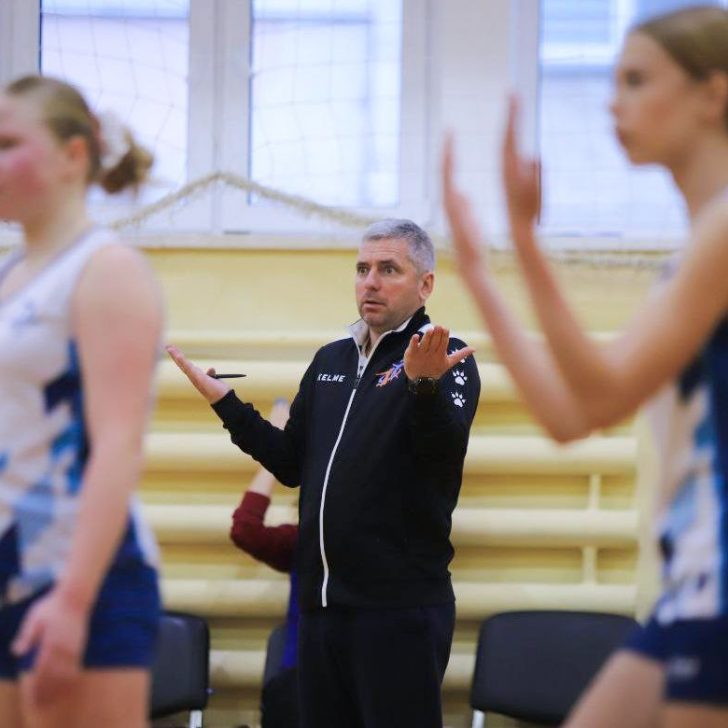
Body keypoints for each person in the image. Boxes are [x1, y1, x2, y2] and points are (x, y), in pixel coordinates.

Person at [443, 5, 728, 727]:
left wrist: (524, 241)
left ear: (713, 94)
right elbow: (571, 416)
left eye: (636, 80)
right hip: (694, 580)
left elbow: (600, 391)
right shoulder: (694, 251)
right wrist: (479, 271)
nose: (612, 102)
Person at [167, 218, 481, 728]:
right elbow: (291, 464)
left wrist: (423, 388)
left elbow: (443, 455)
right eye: (362, 269)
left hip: (397, 609)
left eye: (388, 269)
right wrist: (227, 405)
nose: (370, 282)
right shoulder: (331, 359)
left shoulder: (443, 357)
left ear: (425, 284)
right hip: (320, 609)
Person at [0, 75, 164, 728]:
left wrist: (72, 601)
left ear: (73, 156)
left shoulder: (108, 269)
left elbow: (119, 445)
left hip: (79, 577)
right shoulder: (11, 275)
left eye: (8, 143)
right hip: (10, 565)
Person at [228, 398, 300, 728]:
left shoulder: (383, 541)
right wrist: (276, 450)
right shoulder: (304, 540)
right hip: (301, 684)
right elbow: (246, 529)